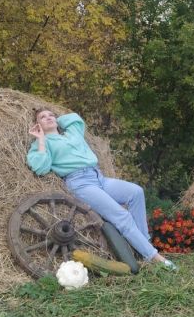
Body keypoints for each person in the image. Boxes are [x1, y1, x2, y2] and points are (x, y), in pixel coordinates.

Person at [26, 108, 177, 271]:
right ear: (38, 124)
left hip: (98, 177)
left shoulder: (72, 133)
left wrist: (55, 119)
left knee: (136, 192)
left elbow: (75, 118)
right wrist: (41, 138)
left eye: (51, 115)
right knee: (122, 216)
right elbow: (40, 167)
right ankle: (156, 258)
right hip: (80, 183)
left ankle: (143, 245)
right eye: (43, 117)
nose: (48, 118)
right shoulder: (43, 143)